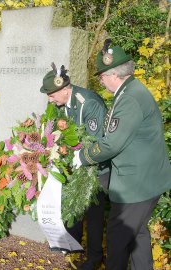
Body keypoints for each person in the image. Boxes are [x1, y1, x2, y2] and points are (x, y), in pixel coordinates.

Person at [75, 40, 171, 270]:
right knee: (137, 235)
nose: (100, 80)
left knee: (118, 239)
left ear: (113, 75)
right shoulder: (130, 90)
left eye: (101, 76)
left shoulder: (129, 99)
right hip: (145, 180)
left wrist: (82, 156)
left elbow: (112, 144)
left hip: (136, 185)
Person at [40, 63, 110, 270]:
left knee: (93, 215)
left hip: (95, 167)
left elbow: (96, 139)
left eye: (52, 95)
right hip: (74, 165)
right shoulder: (61, 105)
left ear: (64, 89)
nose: (50, 99)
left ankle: (95, 257)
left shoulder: (88, 102)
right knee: (73, 209)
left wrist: (77, 155)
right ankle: (73, 247)